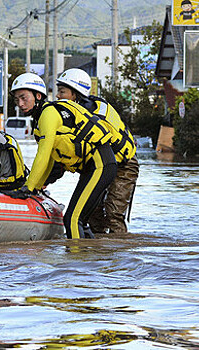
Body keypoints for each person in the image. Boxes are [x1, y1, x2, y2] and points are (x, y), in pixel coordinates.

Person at [9, 72, 117, 239]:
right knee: (81, 221)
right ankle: (93, 257)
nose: (20, 104)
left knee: (73, 220)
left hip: (100, 164)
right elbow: (52, 160)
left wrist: (28, 188)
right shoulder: (40, 120)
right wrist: (37, 187)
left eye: (24, 98)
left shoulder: (48, 114)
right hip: (95, 167)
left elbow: (43, 155)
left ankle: (75, 262)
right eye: (17, 100)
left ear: (38, 96)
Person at [56, 68, 139, 234]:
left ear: (74, 94)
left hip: (124, 165)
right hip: (101, 166)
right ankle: (99, 253)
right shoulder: (77, 114)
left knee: (113, 213)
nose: (57, 96)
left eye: (62, 92)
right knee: (93, 212)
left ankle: (119, 254)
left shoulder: (91, 117)